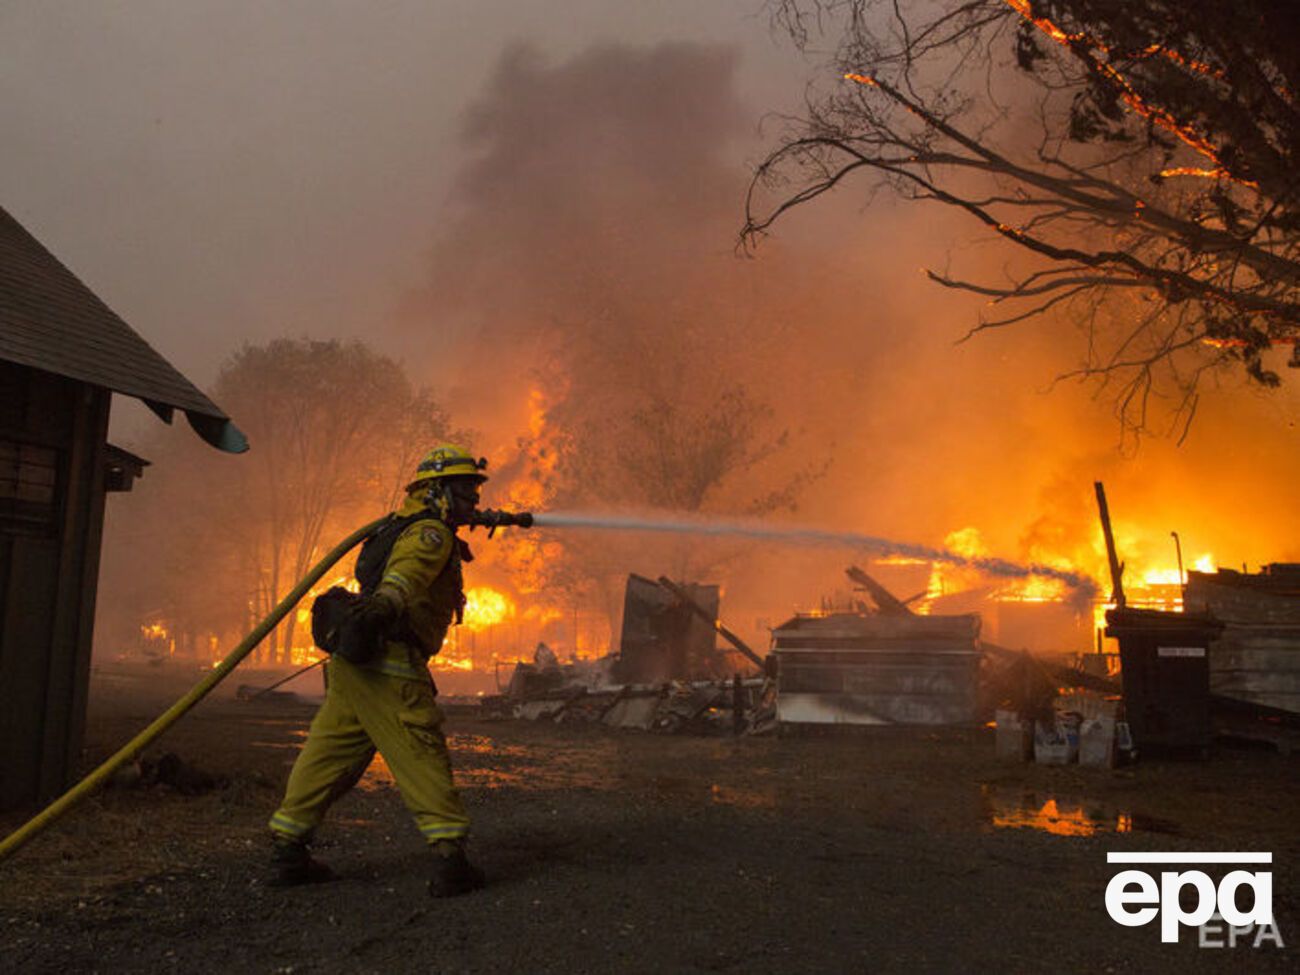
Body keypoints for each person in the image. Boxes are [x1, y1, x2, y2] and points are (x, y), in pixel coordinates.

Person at [267, 444, 490, 897]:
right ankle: (451, 860)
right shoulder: (429, 533)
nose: (473, 501)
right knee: (420, 751)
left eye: (475, 491)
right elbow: (406, 575)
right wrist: (385, 605)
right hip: (390, 664)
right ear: (436, 491)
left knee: (330, 753)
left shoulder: (399, 525)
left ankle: (287, 850)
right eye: (465, 490)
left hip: (355, 667)